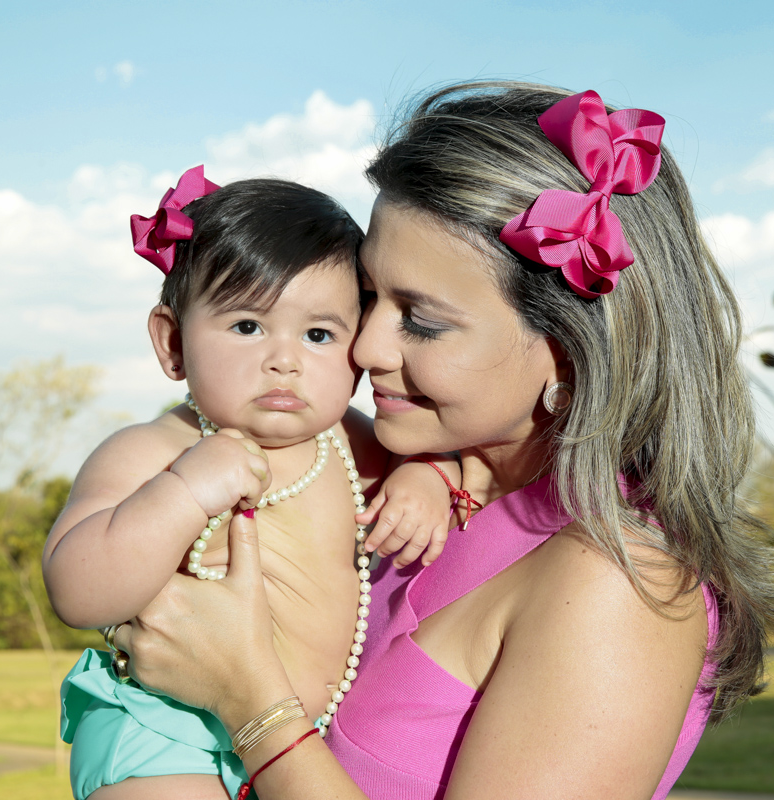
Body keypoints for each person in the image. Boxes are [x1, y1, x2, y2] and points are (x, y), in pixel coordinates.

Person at [108, 82, 774, 800]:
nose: (365, 346)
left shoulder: (616, 586)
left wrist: (250, 702)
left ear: (566, 349)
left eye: (423, 321)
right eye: (368, 298)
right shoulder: (385, 480)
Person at [43, 172, 463, 799]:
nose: (285, 359)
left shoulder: (359, 447)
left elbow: (449, 460)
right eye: (248, 326)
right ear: (173, 342)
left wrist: (429, 478)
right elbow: (77, 591)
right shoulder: (155, 451)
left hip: (301, 740)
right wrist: (184, 490)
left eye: (319, 335)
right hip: (166, 730)